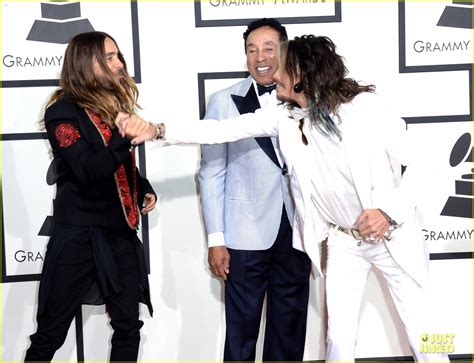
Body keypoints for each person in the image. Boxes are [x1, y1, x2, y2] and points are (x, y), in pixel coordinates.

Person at [119, 34, 450, 362]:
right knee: (338, 337)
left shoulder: (366, 108)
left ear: (302, 74)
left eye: (282, 67)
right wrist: (158, 130)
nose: (273, 73)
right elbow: (221, 129)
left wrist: (388, 212)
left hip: (392, 236)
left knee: (425, 329)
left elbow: (426, 161)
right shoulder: (286, 117)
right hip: (343, 241)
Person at [25, 31, 156, 363]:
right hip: (79, 238)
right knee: (50, 334)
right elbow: (86, 167)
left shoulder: (115, 106)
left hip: (119, 234)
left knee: (129, 327)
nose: (118, 63)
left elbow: (118, 165)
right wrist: (126, 138)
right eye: (108, 57)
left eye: (117, 56)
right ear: (86, 63)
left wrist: (143, 188)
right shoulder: (62, 112)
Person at [198, 18, 311, 361]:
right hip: (244, 236)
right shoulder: (223, 101)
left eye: (268, 48)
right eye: (251, 49)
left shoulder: (305, 99)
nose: (259, 56)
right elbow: (211, 173)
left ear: (284, 52)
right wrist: (216, 239)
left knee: (289, 333)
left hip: (297, 231)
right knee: (242, 334)